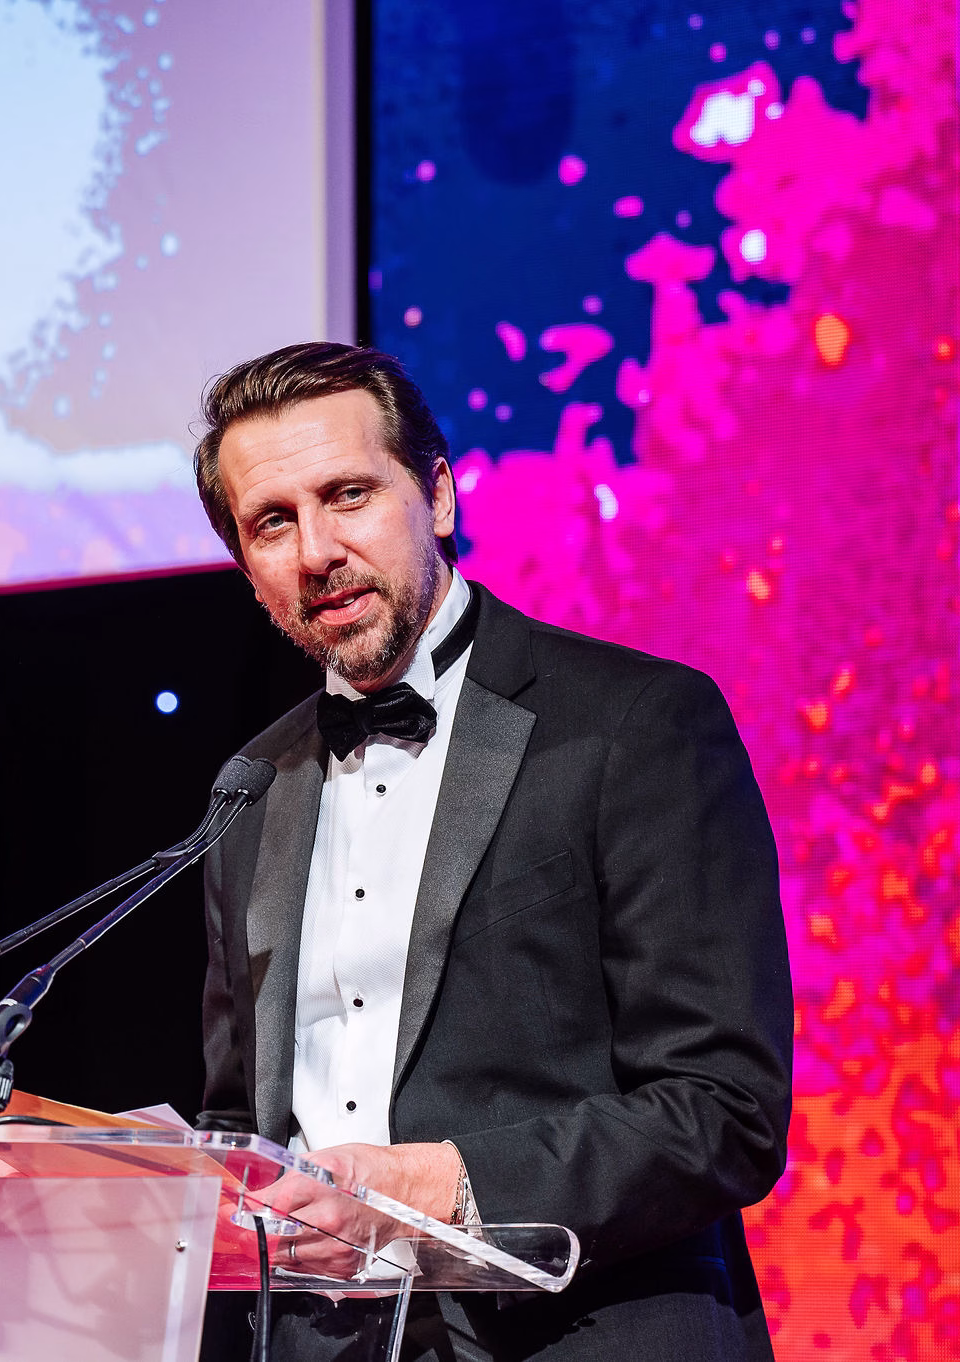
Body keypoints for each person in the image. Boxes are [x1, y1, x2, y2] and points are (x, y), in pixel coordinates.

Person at [192, 343, 792, 1360]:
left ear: (436, 495)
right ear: (248, 570)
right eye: (272, 523)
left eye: (347, 495)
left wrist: (441, 1184)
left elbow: (723, 1111)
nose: (316, 550)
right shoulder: (251, 787)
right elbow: (238, 1120)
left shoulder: (635, 725)